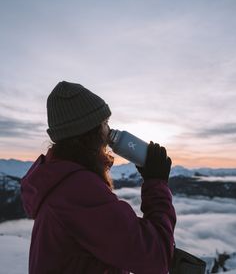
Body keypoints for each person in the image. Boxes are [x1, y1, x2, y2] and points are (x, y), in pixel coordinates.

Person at [21, 81, 176, 274]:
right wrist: (156, 183)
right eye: (104, 123)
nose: (109, 132)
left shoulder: (58, 183)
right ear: (91, 132)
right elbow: (156, 256)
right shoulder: (77, 191)